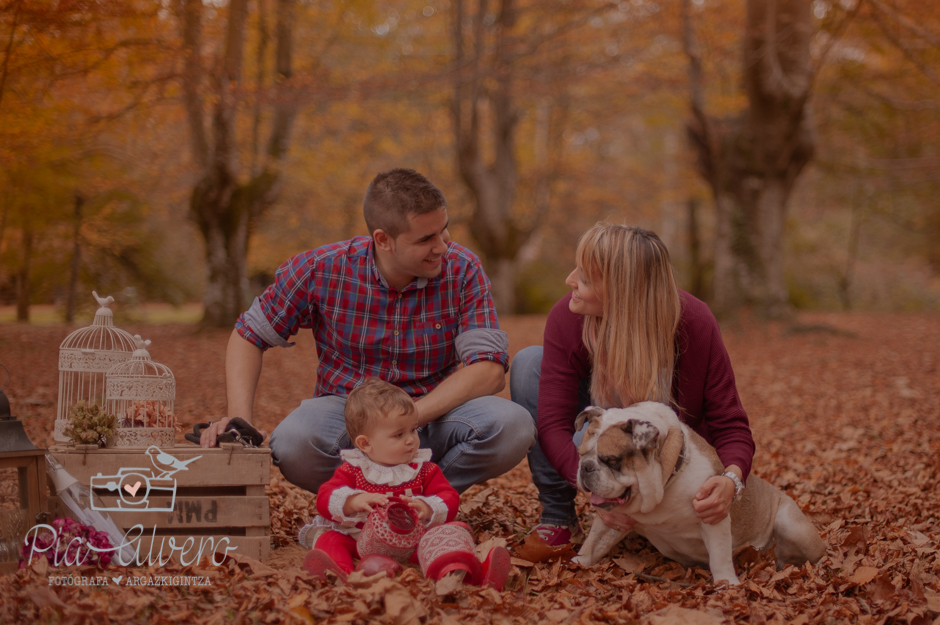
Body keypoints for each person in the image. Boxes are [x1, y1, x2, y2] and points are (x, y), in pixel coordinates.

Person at [201, 168, 534, 499]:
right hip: (347, 413)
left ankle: (421, 501)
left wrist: (409, 418)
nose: (442, 247)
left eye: (443, 230)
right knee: (293, 442)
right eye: (425, 239)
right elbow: (249, 335)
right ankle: (356, 501)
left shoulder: (463, 269)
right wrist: (239, 420)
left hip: (433, 413)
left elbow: (488, 371)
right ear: (383, 240)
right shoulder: (320, 269)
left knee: (513, 425)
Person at [509, 222, 755, 546]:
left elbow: (730, 423)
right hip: (603, 456)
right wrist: (590, 489)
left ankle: (646, 517)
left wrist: (730, 479)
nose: (569, 281)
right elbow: (553, 424)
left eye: (584, 278)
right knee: (528, 364)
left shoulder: (693, 321)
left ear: (620, 291)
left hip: (669, 467)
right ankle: (559, 518)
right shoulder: (568, 318)